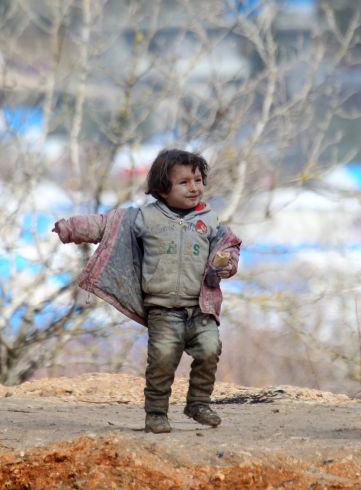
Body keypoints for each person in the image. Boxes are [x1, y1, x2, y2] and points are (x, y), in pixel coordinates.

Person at [53, 149, 241, 434]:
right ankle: (156, 412)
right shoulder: (144, 217)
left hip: (200, 307)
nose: (194, 187)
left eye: (198, 180)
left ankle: (198, 403)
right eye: (184, 182)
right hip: (163, 309)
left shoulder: (210, 220)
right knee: (163, 358)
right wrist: (70, 229)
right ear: (163, 188)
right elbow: (105, 225)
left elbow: (228, 248)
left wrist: (225, 264)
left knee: (210, 349)